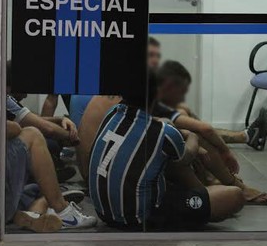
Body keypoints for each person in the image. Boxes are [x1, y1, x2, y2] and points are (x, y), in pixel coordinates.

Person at [87, 71, 244, 230]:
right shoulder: (163, 134)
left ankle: (201, 194)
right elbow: (188, 156)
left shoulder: (113, 113)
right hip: (139, 219)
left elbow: (153, 127)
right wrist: (192, 136)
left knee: (164, 156)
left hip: (103, 212)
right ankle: (203, 198)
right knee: (234, 196)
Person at [148, 38, 267, 150]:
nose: (155, 60)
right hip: (148, 124)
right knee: (196, 128)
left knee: (185, 113)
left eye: (157, 56)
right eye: (150, 55)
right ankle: (244, 137)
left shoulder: (151, 76)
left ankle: (244, 137)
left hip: (153, 117)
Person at [5, 117, 97, 231]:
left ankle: (35, 213)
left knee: (34, 189)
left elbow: (28, 118)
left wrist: (58, 120)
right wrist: (71, 136)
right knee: (33, 135)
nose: (26, 97)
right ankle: (62, 211)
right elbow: (10, 127)